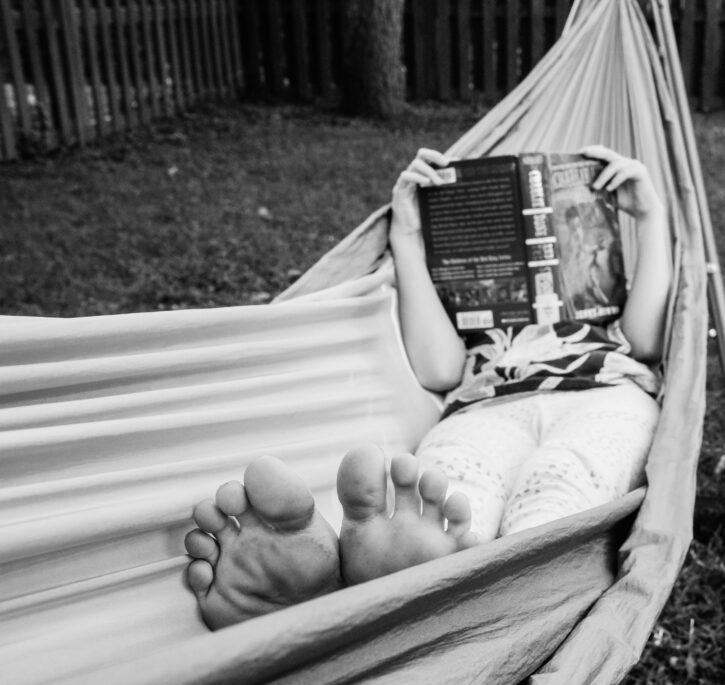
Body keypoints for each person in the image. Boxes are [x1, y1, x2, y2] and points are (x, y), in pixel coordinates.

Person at [183, 145, 672, 630]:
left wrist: (649, 216)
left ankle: (440, 594)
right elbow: (439, 370)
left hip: (605, 389)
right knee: (456, 490)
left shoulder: (604, 297)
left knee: (560, 480)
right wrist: (408, 235)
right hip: (482, 404)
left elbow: (647, 340)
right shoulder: (472, 313)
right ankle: (405, 577)